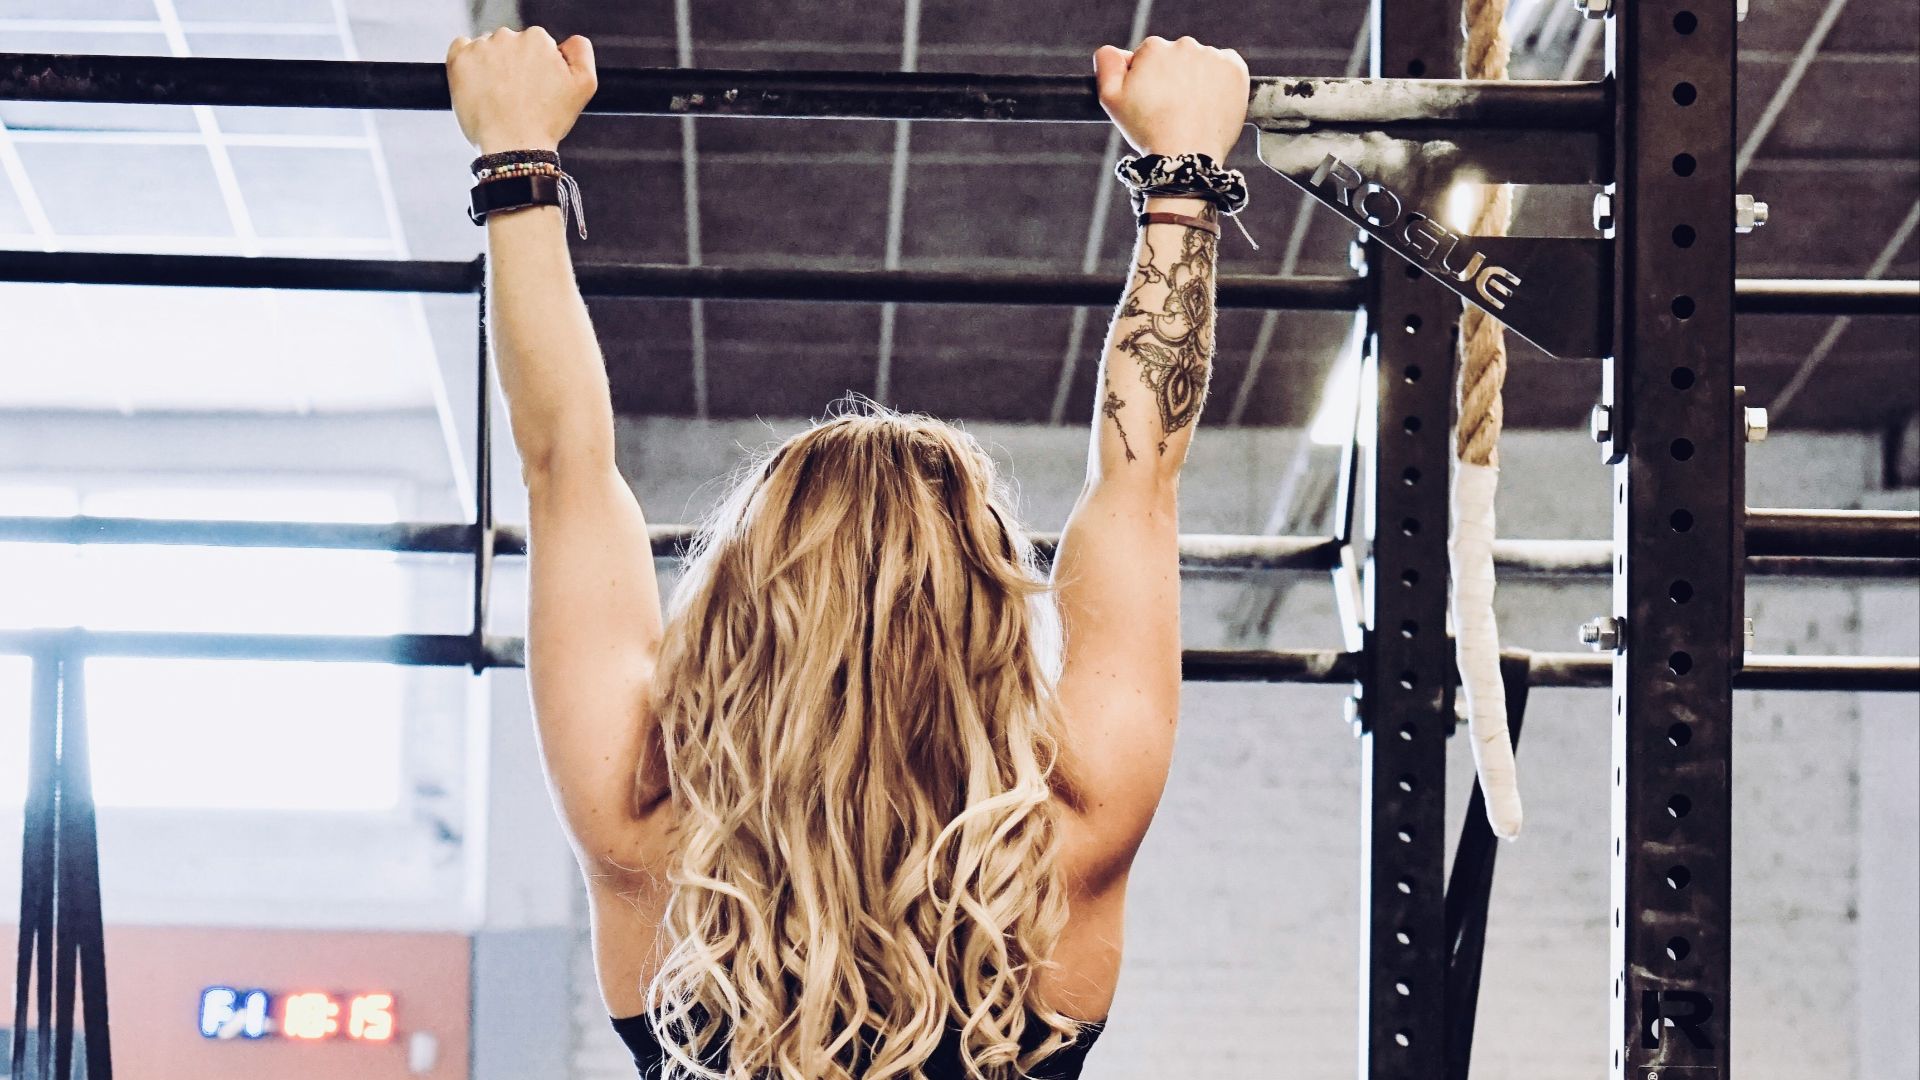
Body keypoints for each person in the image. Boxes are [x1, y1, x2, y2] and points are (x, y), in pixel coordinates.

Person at [445, 27, 1250, 1080]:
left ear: (744, 597)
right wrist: (1183, 176)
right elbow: (1137, 482)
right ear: (993, 613)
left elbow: (564, 466)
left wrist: (517, 159)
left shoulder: (647, 827)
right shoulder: (1070, 837)